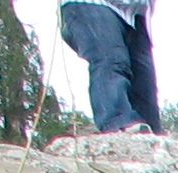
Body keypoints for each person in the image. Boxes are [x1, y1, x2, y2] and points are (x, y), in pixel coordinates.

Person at [57, 0, 163, 136]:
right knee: (111, 59)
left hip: (135, 13)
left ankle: (149, 134)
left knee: (144, 81)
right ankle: (116, 122)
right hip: (92, 4)